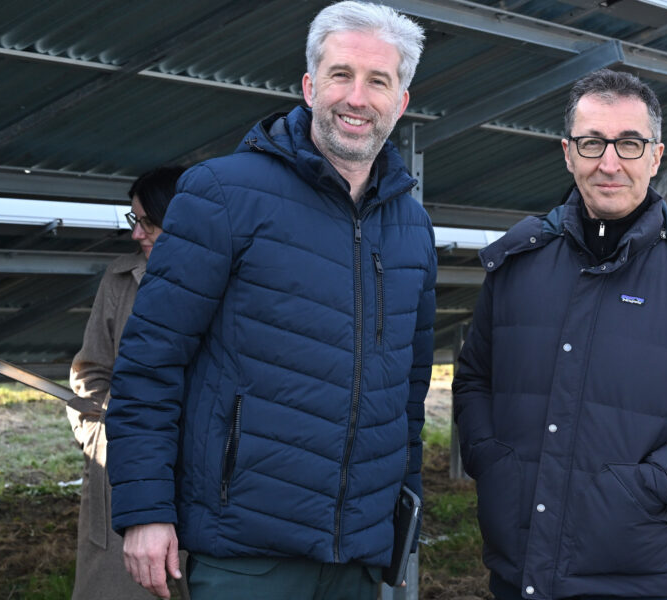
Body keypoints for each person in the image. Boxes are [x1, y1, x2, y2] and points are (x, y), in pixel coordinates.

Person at [104, 3, 435, 600]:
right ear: (309, 87)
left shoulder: (411, 224)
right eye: (340, 75)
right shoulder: (223, 194)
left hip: (358, 555)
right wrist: (145, 510)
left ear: (401, 101)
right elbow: (150, 364)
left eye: (378, 81)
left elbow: (407, 395)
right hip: (245, 550)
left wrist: (401, 520)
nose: (356, 97)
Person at [452, 69, 667, 600]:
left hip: (633, 573)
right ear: (567, 152)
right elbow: (474, 380)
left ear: (655, 155)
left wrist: (647, 489)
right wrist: (493, 461)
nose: (609, 162)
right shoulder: (519, 263)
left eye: (628, 143)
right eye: (591, 142)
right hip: (516, 568)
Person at [67, 165, 187, 600]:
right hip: (127, 472)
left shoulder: (236, 280)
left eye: (147, 222)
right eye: (133, 220)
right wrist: (102, 433)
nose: (137, 233)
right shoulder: (120, 282)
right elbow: (89, 371)